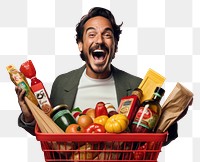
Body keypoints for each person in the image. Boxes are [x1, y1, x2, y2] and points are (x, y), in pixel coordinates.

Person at [16, 7, 178, 144]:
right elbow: (48, 131)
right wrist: (29, 117)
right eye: (91, 34)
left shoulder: (138, 86)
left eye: (107, 35)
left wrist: (174, 112)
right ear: (80, 45)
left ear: (115, 46)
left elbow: (156, 134)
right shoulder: (62, 83)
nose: (99, 40)